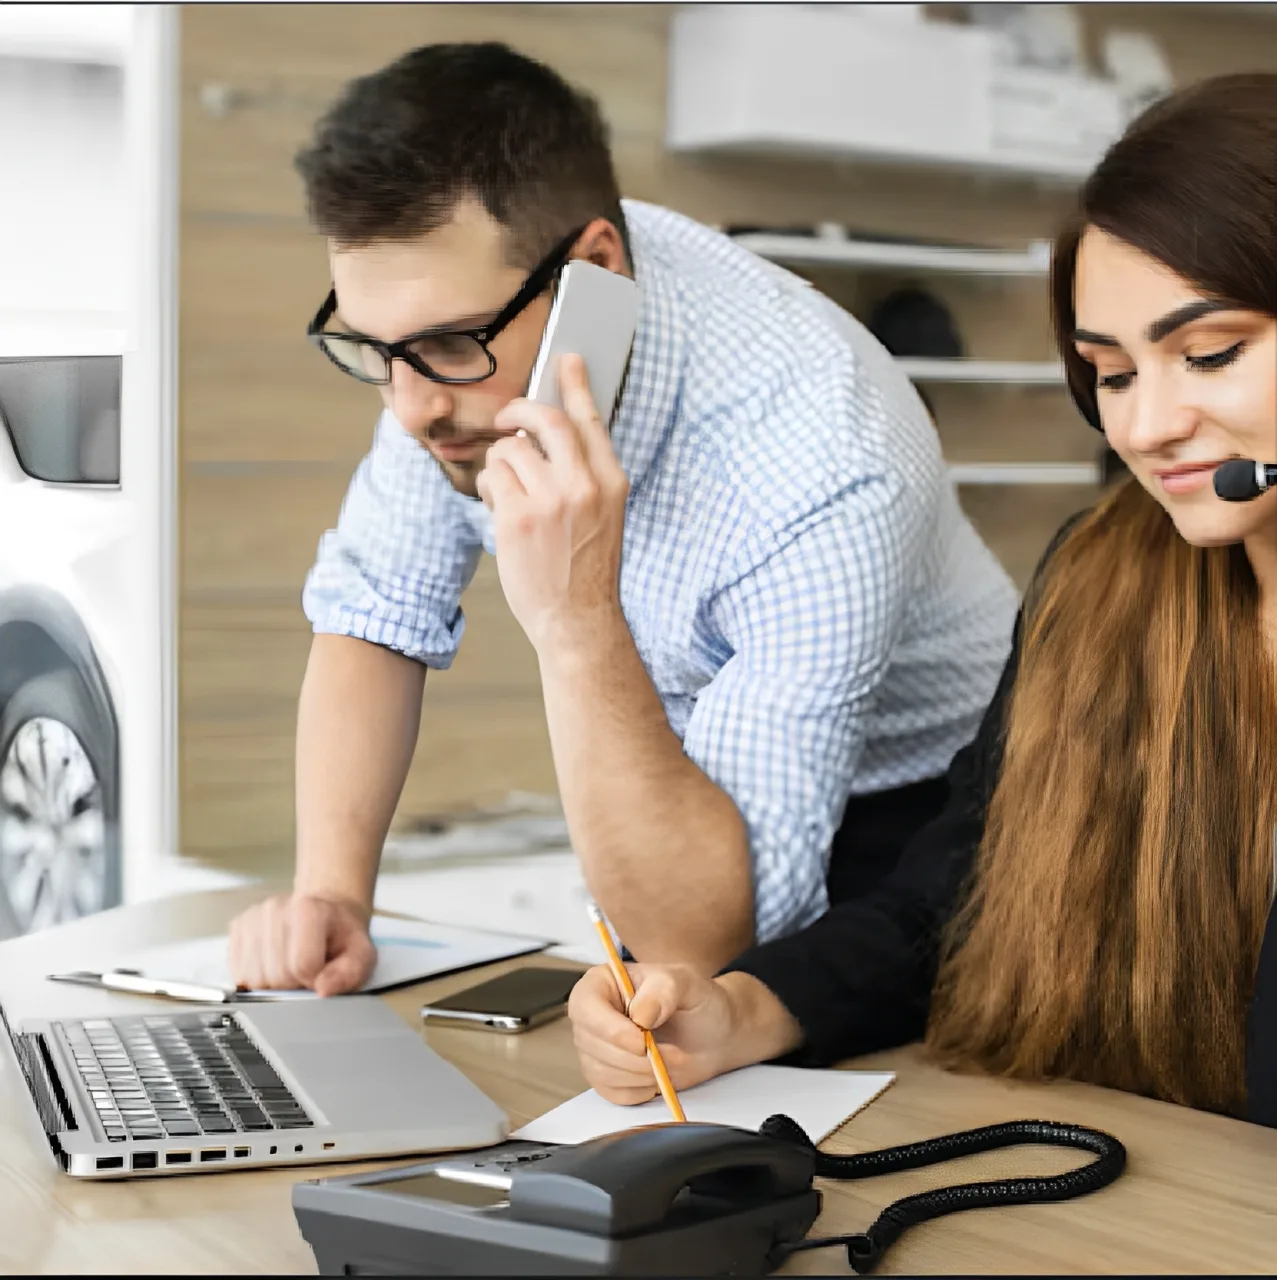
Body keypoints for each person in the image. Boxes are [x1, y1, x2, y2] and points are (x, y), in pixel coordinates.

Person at [226, 42, 1016, 994]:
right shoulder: (454, 365)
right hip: (681, 781)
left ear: (593, 270)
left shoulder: (823, 450)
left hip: (926, 815)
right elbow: (372, 613)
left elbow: (705, 943)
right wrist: (332, 898)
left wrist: (575, 619)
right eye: (373, 347)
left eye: (443, 343)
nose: (406, 408)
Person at [568, 72, 1277, 1125]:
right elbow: (951, 894)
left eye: (1206, 354)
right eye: (1111, 373)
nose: (1146, 425)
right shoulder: (1102, 583)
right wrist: (742, 1010)